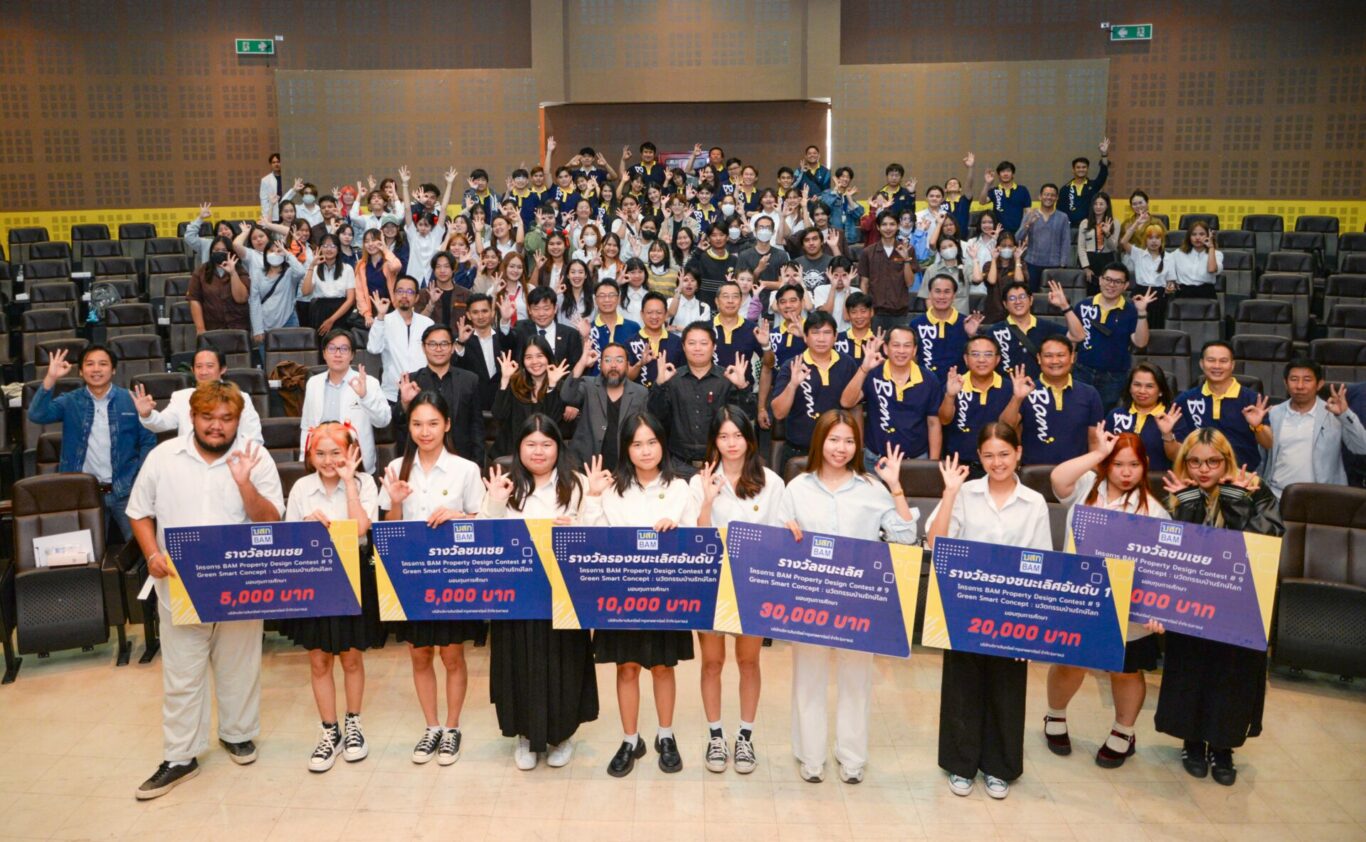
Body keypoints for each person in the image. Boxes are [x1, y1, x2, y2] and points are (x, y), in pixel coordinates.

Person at [126, 381, 284, 799]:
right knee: (182, 674)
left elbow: (272, 522)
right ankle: (180, 757)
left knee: (239, 665)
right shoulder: (163, 457)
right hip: (179, 585)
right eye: (208, 417)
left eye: (226, 418)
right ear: (192, 417)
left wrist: (245, 484)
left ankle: (237, 734)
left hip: (241, 584)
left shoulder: (255, 456)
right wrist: (152, 553)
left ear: (238, 420)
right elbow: (139, 513)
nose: (217, 426)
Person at [779, 409, 919, 783]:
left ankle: (852, 757)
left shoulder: (871, 488)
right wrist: (785, 529)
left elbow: (905, 536)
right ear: (819, 441)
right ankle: (810, 756)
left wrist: (895, 486)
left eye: (849, 441)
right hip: (809, 599)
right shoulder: (798, 487)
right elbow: (779, 539)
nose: (840, 448)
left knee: (856, 681)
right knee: (808, 678)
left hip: (859, 601)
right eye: (833, 440)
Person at [927, 423, 1052, 800]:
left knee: (1006, 689)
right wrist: (950, 493)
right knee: (962, 687)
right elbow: (935, 543)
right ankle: (961, 764)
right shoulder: (964, 493)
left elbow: (1042, 563)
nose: (997, 462)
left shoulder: (1034, 502)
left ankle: (999, 767)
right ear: (979, 457)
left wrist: (1031, 623)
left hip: (1013, 611)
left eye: (1004, 454)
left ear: (1019, 453)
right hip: (964, 606)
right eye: (989, 455)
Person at [1157, 427, 1283, 786]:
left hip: (1240, 605)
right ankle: (1193, 742)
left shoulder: (1255, 489)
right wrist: (1188, 507)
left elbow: (1266, 541)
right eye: (1194, 462)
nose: (1203, 469)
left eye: (1213, 461)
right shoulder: (1177, 492)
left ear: (1227, 460)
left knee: (1233, 676)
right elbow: (1169, 551)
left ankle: (1223, 747)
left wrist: (1236, 501)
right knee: (1191, 670)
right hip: (1190, 604)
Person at [581, 414, 699, 777]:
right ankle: (630, 740)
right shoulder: (612, 488)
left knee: (663, 667)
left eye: (652, 442)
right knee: (627, 667)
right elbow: (592, 538)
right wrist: (593, 496)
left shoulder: (681, 487)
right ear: (626, 449)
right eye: (636, 444)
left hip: (665, 595)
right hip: (621, 597)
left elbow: (695, 540)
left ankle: (666, 735)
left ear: (662, 444)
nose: (645, 451)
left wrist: (678, 531)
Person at [480, 415, 598, 771]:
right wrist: (495, 503)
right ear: (518, 448)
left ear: (558, 447)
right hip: (516, 595)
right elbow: (485, 540)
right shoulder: (504, 483)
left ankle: (562, 735)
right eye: (530, 444)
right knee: (518, 661)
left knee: (564, 662)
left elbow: (596, 535)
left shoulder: (576, 484)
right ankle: (525, 735)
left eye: (546, 444)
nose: (539, 451)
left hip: (563, 595)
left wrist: (576, 527)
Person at [1046, 428, 1166, 769]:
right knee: (1070, 663)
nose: (1126, 473)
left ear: (1145, 466)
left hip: (1129, 611)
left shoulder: (1154, 511)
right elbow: (1058, 478)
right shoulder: (1086, 487)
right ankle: (1055, 716)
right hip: (1080, 601)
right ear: (1106, 465)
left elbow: (1163, 570)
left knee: (1125, 670)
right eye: (1117, 464)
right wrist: (1098, 453)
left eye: (1134, 465)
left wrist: (1159, 610)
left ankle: (1123, 731)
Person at [378, 391, 487, 767]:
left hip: (452, 577)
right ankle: (432, 726)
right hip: (411, 578)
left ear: (447, 425)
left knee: (452, 655)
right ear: (408, 427)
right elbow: (388, 530)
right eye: (417, 424)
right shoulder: (396, 467)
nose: (425, 432)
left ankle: (452, 727)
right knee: (420, 653)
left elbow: (483, 522)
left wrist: (460, 517)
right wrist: (395, 501)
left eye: (433, 423)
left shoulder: (465, 469)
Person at [281, 422, 383, 773]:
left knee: (351, 658)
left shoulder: (365, 483)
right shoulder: (301, 488)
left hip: (353, 574)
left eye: (336, 452)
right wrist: (305, 525)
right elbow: (290, 539)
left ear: (352, 452)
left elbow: (360, 528)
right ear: (309, 455)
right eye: (320, 453)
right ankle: (329, 731)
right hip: (314, 577)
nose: (328, 461)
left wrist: (349, 482)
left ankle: (354, 724)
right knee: (319, 660)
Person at [688, 407, 784, 775]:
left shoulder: (772, 482)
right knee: (712, 663)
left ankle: (745, 736)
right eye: (723, 436)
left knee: (748, 662)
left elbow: (777, 537)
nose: (731, 443)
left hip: (753, 587)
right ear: (714, 440)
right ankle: (716, 735)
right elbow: (696, 539)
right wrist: (708, 499)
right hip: (712, 586)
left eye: (738, 436)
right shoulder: (699, 482)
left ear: (749, 439)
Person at [28, 345, 157, 541]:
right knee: (87, 550)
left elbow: (148, 441)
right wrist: (50, 378)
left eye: (103, 364)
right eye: (89, 364)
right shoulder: (70, 401)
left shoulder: (131, 400)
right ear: (81, 371)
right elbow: (37, 415)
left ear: (113, 370)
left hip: (126, 490)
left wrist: (139, 478)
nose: (96, 369)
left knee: (143, 547)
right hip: (84, 492)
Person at [647, 322, 749, 475]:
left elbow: (746, 418)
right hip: (678, 465)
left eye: (703, 343)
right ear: (683, 347)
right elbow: (655, 417)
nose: (697, 348)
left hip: (720, 464)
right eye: (692, 343)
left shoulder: (728, 379)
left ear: (714, 347)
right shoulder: (671, 379)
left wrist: (742, 387)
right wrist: (659, 384)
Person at [1052, 263, 1157, 409]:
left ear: (1126, 285)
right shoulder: (1083, 306)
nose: (1111, 285)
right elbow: (1073, 339)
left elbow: (1141, 343)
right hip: (1082, 371)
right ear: (1100, 280)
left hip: (1115, 376)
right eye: (1108, 279)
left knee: (1104, 415)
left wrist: (1142, 313)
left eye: (1118, 281)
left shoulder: (1132, 311)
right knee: (1077, 411)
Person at [840, 327, 944, 469]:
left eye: (907, 346)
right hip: (875, 459)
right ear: (885, 348)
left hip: (915, 460)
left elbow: (933, 423)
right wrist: (864, 368)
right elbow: (846, 402)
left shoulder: (929, 379)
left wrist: (932, 466)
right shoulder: (873, 374)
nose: (901, 351)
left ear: (914, 350)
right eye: (896, 345)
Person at [1261, 359, 1366, 498]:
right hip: (1278, 495)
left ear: (1319, 384)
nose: (1300, 386)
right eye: (1294, 379)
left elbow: (1362, 447)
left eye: (1307, 380)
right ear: (1285, 383)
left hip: (1324, 498)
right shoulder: (1273, 413)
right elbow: (1262, 459)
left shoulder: (1334, 414)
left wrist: (1345, 414)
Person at [771, 311, 860, 469]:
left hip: (838, 452)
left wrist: (858, 445)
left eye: (827, 333)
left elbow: (855, 407)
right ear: (805, 337)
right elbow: (778, 413)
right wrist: (793, 384)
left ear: (835, 336)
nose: (821, 338)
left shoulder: (848, 364)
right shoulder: (792, 365)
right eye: (815, 333)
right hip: (799, 450)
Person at [1171, 341, 1273, 471]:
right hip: (1200, 473)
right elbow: (1176, 453)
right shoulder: (1185, 400)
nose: (1217, 366)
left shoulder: (1252, 399)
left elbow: (1268, 444)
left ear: (1232, 365)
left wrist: (1257, 426)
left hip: (1242, 475)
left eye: (1223, 361)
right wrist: (1167, 435)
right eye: (1211, 360)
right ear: (1201, 363)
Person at [297, 331, 391, 472]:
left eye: (344, 349)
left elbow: (383, 421)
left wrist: (365, 396)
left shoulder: (369, 383)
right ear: (324, 353)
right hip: (321, 464)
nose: (337, 354)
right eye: (332, 348)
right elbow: (307, 426)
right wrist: (304, 459)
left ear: (352, 355)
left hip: (356, 465)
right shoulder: (313, 383)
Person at [133, 347, 264, 445]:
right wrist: (147, 415)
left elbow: (254, 438)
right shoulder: (181, 397)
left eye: (210, 366)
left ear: (223, 369)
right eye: (199, 366)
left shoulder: (240, 397)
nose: (203, 372)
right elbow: (162, 423)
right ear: (192, 370)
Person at [398, 324, 486, 467]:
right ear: (423, 347)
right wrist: (405, 404)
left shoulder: (470, 380)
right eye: (432, 344)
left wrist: (477, 465)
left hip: (461, 461)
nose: (438, 349)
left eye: (444, 344)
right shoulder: (411, 381)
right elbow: (401, 425)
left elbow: (477, 427)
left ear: (452, 347)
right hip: (422, 462)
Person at [938, 336, 1030, 469]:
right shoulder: (954, 384)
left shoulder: (1011, 388)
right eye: (975, 354)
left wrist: (1017, 398)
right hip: (959, 465)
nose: (981, 360)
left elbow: (1008, 426)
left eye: (988, 354)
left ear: (997, 359)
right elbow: (944, 420)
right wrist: (950, 396)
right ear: (966, 359)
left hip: (998, 466)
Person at [1019, 335, 1104, 465]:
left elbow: (1094, 441)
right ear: (1039, 358)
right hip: (1032, 471)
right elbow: (1008, 428)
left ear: (1072, 357)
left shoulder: (1089, 394)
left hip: (1077, 471)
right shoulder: (1025, 391)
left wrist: (1094, 473)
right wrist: (1017, 398)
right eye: (1048, 356)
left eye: (1061, 355)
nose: (1055, 361)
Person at [562, 343, 649, 469]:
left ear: (627, 365)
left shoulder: (640, 393)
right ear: (600, 364)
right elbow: (567, 396)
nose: (613, 365)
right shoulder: (588, 385)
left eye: (619, 360)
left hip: (625, 468)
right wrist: (582, 363)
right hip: (585, 466)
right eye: (607, 360)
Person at [365, 275, 435, 419]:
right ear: (394, 295)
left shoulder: (427, 323)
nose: (404, 296)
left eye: (409, 292)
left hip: (422, 391)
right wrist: (380, 317)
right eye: (400, 291)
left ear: (416, 297)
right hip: (392, 393)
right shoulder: (384, 320)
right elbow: (373, 348)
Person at [492, 339, 569, 459]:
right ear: (523, 361)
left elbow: (551, 421)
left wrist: (551, 386)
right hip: (511, 453)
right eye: (528, 357)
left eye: (540, 356)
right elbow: (499, 415)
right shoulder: (515, 383)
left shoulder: (560, 387)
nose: (534, 362)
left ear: (548, 358)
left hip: (546, 455)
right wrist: (505, 379)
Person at [1105, 362, 1181, 472]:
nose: (1142, 391)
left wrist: (1167, 434)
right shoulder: (1115, 415)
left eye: (1149, 386)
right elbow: (1104, 455)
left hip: (1158, 480)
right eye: (1137, 385)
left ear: (1160, 391)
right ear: (1130, 388)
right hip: (1121, 477)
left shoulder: (1172, 417)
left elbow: (1177, 458)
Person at [986, 281, 1067, 380]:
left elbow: (1077, 336)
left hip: (1041, 387)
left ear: (1031, 300)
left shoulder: (1047, 327)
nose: (1018, 301)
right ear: (1005, 304)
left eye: (1022, 297)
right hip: (1007, 387)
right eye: (1012, 298)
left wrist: (1064, 306)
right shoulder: (994, 332)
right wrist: (971, 334)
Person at [911, 274, 982, 379]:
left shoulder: (966, 323)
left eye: (947, 292)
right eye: (937, 291)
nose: (942, 296)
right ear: (930, 294)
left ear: (954, 295)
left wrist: (972, 336)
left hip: (959, 382)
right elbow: (912, 358)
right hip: (926, 383)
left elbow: (978, 358)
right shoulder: (916, 324)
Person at [858, 210, 919, 334]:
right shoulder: (868, 252)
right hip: (875, 312)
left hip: (899, 312)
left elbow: (910, 283)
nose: (888, 228)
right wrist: (866, 308)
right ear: (878, 227)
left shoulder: (908, 250)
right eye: (884, 224)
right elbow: (864, 283)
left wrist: (906, 259)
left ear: (898, 226)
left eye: (892, 224)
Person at [454, 293, 511, 411]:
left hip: (503, 401)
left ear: (492, 312)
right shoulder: (461, 340)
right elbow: (456, 369)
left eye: (484, 311)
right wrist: (460, 343)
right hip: (472, 404)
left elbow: (511, 341)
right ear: (468, 315)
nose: (480, 316)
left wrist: (505, 320)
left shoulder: (503, 337)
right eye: (475, 312)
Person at [187, 236, 251, 334]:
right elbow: (194, 299)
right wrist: (200, 328)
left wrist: (233, 272)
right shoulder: (201, 271)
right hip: (211, 328)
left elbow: (241, 298)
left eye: (224, 250)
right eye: (216, 250)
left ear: (230, 252)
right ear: (211, 252)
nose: (220, 252)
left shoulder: (240, 269)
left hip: (238, 327)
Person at [1118, 216, 1170, 327]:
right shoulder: (1138, 254)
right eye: (1150, 238)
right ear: (1145, 240)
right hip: (1140, 293)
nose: (1154, 241)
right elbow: (1123, 242)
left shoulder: (1169, 257)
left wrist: (1171, 287)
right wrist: (1136, 224)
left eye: (1157, 238)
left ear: (1162, 240)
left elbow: (1171, 281)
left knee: (1156, 328)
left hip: (1159, 295)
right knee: (1136, 326)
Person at [1016, 184, 1070, 292]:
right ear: (1040, 196)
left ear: (1057, 198)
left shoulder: (1063, 217)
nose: (1049, 197)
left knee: (1052, 297)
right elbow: (1018, 238)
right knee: (1031, 295)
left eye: (1052, 195)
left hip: (1054, 265)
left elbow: (1066, 241)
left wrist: (1063, 264)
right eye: (1046, 194)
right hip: (1032, 264)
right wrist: (1028, 224)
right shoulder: (1030, 215)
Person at [301, 233, 358, 335]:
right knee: (320, 342)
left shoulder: (347, 268)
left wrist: (332, 320)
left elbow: (350, 300)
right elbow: (305, 292)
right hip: (319, 311)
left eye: (333, 246)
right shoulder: (314, 269)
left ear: (338, 249)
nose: (329, 249)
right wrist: (311, 266)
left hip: (341, 311)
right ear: (319, 249)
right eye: (325, 246)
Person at [627, 292, 682, 389]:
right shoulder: (630, 343)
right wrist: (640, 364)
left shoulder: (677, 342)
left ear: (666, 314)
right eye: (649, 312)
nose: (654, 317)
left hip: (669, 396)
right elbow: (627, 377)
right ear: (642, 314)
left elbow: (683, 375)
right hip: (640, 397)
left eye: (659, 312)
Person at [1060, 139, 1111, 225]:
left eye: (1084, 167)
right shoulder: (1065, 189)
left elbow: (1103, 173)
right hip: (1069, 228)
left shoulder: (1093, 186)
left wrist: (1104, 154)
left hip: (1089, 226)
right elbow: (1060, 210)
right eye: (1078, 167)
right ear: (1073, 170)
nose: (1081, 169)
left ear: (1087, 169)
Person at [1167, 222, 1222, 298]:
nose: (1197, 238)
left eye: (1202, 234)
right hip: (1183, 293)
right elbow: (1165, 264)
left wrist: (1211, 247)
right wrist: (1171, 282)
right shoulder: (1178, 253)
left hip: (1206, 293)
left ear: (1208, 236)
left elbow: (1211, 269)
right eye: (1194, 234)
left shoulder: (1216, 254)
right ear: (1189, 237)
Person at [1077, 192, 1119, 292]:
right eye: (1095, 204)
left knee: (1107, 290)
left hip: (1107, 260)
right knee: (1091, 292)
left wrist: (1107, 234)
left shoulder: (1115, 223)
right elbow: (1081, 247)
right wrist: (1086, 267)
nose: (1098, 207)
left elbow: (1114, 247)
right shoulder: (1085, 223)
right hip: (1089, 260)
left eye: (1101, 204)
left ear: (1107, 206)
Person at [978, 161, 1032, 234]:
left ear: (1013, 174)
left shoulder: (1022, 190)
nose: (1005, 174)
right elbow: (982, 202)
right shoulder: (995, 190)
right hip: (998, 233)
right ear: (999, 175)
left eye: (1008, 171)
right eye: (1002, 171)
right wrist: (987, 183)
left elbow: (1028, 213)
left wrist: (1026, 232)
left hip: (1018, 233)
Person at [259, 152, 284, 221]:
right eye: (273, 162)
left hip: (287, 211)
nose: (276, 164)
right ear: (271, 164)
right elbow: (264, 200)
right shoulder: (265, 180)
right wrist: (265, 217)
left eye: (278, 162)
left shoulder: (288, 178)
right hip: (273, 214)